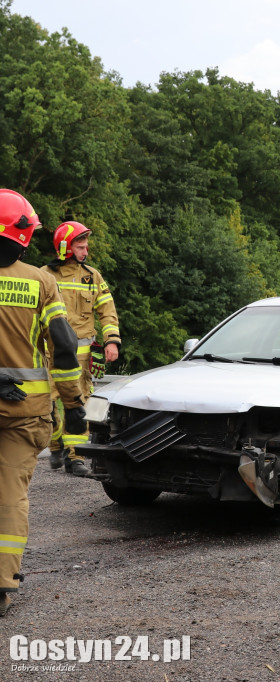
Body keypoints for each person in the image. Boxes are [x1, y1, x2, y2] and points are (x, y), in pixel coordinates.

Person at [0, 189, 86, 617]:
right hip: (25, 412)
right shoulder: (41, 280)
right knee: (11, 495)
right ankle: (1, 583)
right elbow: (66, 346)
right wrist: (72, 403)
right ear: (22, 233)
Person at [44, 221, 120, 476]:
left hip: (82, 357)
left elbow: (107, 311)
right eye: (80, 247)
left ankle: (75, 457)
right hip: (49, 356)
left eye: (86, 247)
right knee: (47, 405)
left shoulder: (92, 276)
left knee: (79, 405)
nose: (85, 252)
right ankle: (56, 445)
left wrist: (111, 341)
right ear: (64, 246)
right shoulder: (44, 275)